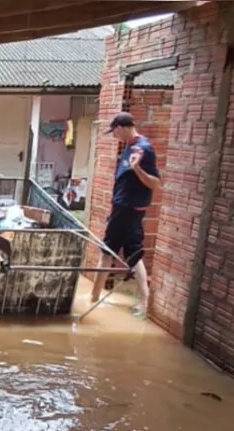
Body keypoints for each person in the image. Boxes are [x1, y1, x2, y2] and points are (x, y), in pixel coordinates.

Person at [89, 112, 162, 317]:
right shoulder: (131, 145)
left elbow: (155, 183)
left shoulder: (143, 149)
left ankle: (92, 299)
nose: (114, 136)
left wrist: (136, 168)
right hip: (127, 208)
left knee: (106, 252)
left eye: (114, 131)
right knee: (134, 255)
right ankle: (145, 302)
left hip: (127, 209)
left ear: (121, 127)